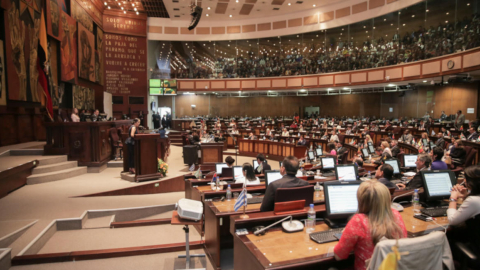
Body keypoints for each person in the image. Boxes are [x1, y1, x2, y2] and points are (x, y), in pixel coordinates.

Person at [334, 180, 407, 270]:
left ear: (361, 200)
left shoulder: (358, 221)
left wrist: (346, 234)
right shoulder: (396, 214)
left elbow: (339, 256)